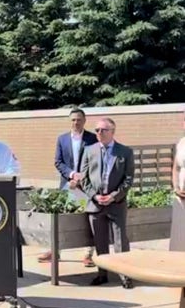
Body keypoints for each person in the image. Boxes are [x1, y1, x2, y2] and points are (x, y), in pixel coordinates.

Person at [38, 108, 98, 266]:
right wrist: (72, 175)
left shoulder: (93, 139)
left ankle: (88, 254)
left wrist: (81, 178)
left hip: (86, 186)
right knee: (61, 218)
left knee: (87, 218)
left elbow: (95, 162)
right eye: (73, 120)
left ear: (84, 121)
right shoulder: (62, 139)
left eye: (79, 119)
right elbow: (58, 162)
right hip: (67, 185)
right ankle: (55, 251)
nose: (76, 122)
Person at [80, 117, 134, 288]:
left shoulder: (125, 152)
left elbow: (128, 179)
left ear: (112, 131)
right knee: (100, 242)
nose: (99, 133)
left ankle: (125, 276)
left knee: (120, 241)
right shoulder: (89, 150)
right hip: (96, 204)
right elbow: (84, 178)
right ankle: (102, 274)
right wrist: (94, 196)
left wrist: (114, 196)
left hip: (116, 204)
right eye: (97, 130)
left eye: (103, 130)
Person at [171, 109, 185, 251]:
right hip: (181, 195)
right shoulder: (181, 142)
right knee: (180, 234)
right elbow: (176, 168)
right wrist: (176, 187)